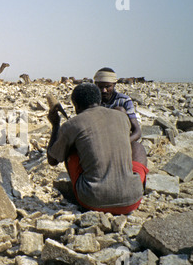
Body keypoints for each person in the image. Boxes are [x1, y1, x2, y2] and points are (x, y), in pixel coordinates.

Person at [46, 83, 149, 215]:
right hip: (132, 200)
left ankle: (84, 191)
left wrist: (55, 126)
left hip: (92, 201)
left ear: (76, 106)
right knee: (137, 147)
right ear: (99, 100)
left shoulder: (72, 124)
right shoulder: (122, 117)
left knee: (71, 149)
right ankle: (136, 185)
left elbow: (52, 160)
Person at [94, 67, 142, 143]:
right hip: (99, 138)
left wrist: (123, 143)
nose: (104, 90)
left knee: (120, 111)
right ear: (95, 85)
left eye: (108, 86)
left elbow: (137, 132)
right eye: (100, 87)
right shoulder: (92, 101)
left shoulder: (124, 100)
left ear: (114, 85)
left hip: (120, 138)